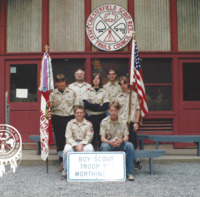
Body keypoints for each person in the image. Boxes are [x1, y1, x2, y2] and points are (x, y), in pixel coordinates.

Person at [100, 102, 135, 181]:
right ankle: (106, 172)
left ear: (118, 110)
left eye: (115, 110)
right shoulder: (104, 122)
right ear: (108, 111)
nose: (113, 112)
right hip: (109, 144)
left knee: (129, 145)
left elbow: (126, 137)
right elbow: (102, 138)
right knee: (104, 146)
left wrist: (121, 141)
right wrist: (109, 142)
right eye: (111, 110)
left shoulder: (123, 121)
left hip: (120, 143)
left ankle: (130, 172)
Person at [115, 76, 142, 170]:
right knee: (122, 142)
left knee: (133, 142)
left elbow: (138, 109)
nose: (123, 86)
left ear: (128, 84)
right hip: (121, 124)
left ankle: (137, 161)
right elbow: (115, 110)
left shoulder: (133, 95)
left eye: (124, 83)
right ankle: (124, 162)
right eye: (121, 84)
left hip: (131, 123)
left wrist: (137, 122)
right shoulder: (118, 97)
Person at [50, 74, 76, 167]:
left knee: (70, 138)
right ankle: (61, 159)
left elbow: (75, 106)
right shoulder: (53, 94)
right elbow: (48, 107)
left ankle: (71, 156)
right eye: (59, 82)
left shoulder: (71, 92)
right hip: (57, 117)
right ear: (56, 83)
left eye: (62, 81)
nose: (61, 84)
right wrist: (53, 103)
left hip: (69, 117)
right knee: (60, 139)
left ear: (65, 82)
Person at [61, 106, 94, 179]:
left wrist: (82, 144)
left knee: (89, 150)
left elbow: (89, 136)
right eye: (77, 113)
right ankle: (65, 171)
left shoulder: (89, 124)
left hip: (84, 143)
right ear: (74, 114)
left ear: (84, 114)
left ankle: (87, 171)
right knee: (67, 150)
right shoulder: (70, 123)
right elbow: (68, 137)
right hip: (72, 142)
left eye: (81, 113)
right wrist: (75, 146)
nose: (79, 114)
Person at [83, 73, 109, 151]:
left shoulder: (104, 91)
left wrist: (92, 106)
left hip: (101, 117)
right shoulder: (87, 91)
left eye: (98, 78)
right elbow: (86, 105)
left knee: (101, 135)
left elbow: (106, 106)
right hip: (90, 117)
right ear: (92, 80)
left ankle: (101, 151)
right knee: (92, 135)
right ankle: (92, 151)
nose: (96, 80)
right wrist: (99, 106)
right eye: (94, 78)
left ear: (100, 80)